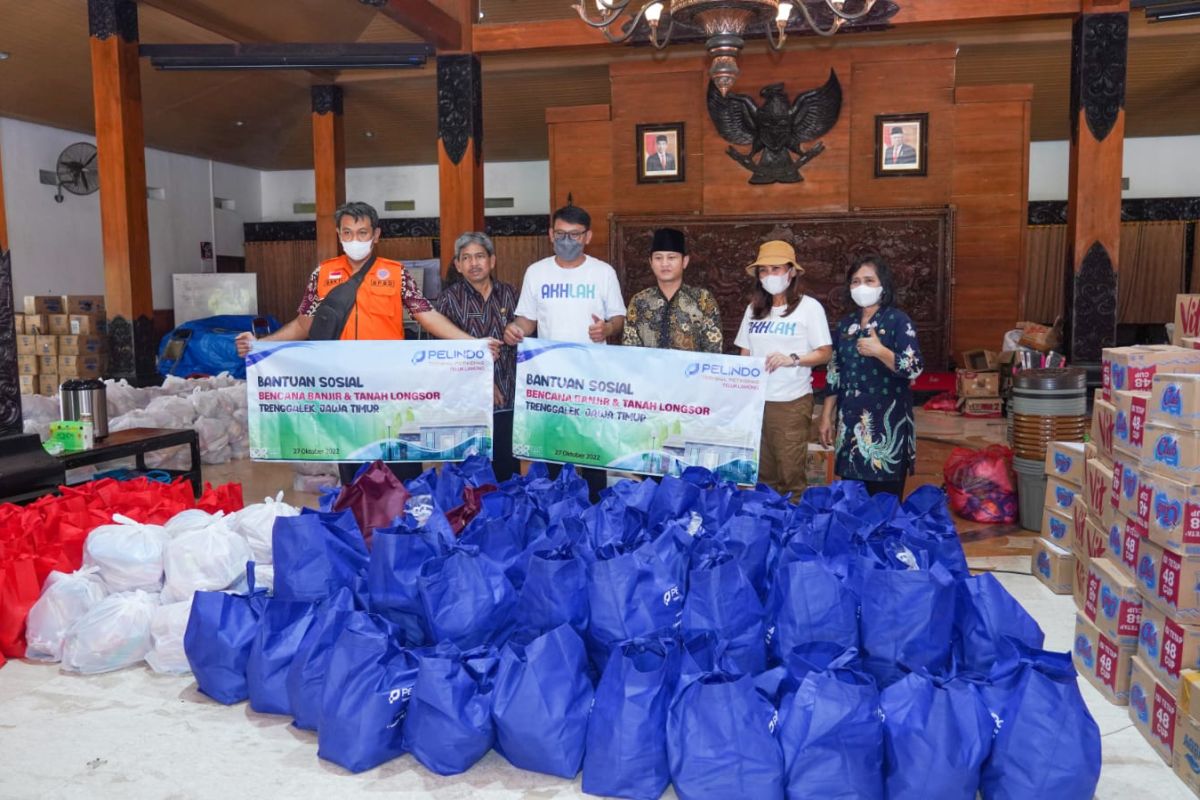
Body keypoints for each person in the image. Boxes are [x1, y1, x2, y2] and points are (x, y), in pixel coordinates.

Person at [235, 201, 498, 487]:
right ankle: (361, 521)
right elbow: (303, 324)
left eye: (362, 233)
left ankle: (407, 521)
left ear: (376, 235)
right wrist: (260, 344)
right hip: (347, 392)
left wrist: (475, 345)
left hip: (392, 389)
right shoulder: (322, 274)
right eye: (347, 233)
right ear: (339, 234)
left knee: (400, 466)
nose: (355, 240)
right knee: (356, 470)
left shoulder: (396, 273)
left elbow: (427, 315)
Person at [504, 204, 626, 497]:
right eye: (560, 234)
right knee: (554, 449)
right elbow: (528, 320)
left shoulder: (603, 273)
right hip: (551, 380)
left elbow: (619, 319)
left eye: (574, 235)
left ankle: (597, 508)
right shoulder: (537, 272)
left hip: (592, 377)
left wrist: (606, 329)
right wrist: (515, 330)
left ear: (588, 236)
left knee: (594, 451)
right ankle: (557, 511)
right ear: (550, 234)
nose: (567, 241)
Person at [819, 254, 924, 498]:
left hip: (887, 425)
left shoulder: (898, 321)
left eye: (869, 280)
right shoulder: (846, 325)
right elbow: (835, 372)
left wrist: (881, 352)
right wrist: (826, 416)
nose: (861, 287)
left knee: (884, 501)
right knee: (852, 498)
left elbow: (915, 367)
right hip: (851, 424)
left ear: (883, 286)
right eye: (855, 282)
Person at [734, 240, 832, 500]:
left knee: (790, 473)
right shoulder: (753, 309)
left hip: (790, 402)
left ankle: (793, 528)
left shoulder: (809, 308)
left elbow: (825, 352)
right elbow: (745, 352)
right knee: (763, 472)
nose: (769, 276)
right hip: (757, 402)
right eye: (763, 271)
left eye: (776, 269)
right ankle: (769, 523)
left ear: (791, 272)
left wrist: (793, 359)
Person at [435, 231, 519, 482]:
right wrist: (482, 382)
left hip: (508, 397)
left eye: (480, 256)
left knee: (507, 472)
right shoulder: (447, 301)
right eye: (467, 258)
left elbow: (526, 338)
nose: (474, 263)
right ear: (458, 265)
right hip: (465, 403)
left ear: (492, 261)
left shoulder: (511, 295)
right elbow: (439, 354)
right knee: (469, 476)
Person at [623, 228, 722, 352]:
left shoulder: (703, 300)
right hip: (648, 371)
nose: (664, 264)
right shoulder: (639, 301)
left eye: (671, 257)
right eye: (658, 258)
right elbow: (630, 352)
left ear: (684, 261)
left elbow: (713, 352)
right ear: (651, 262)